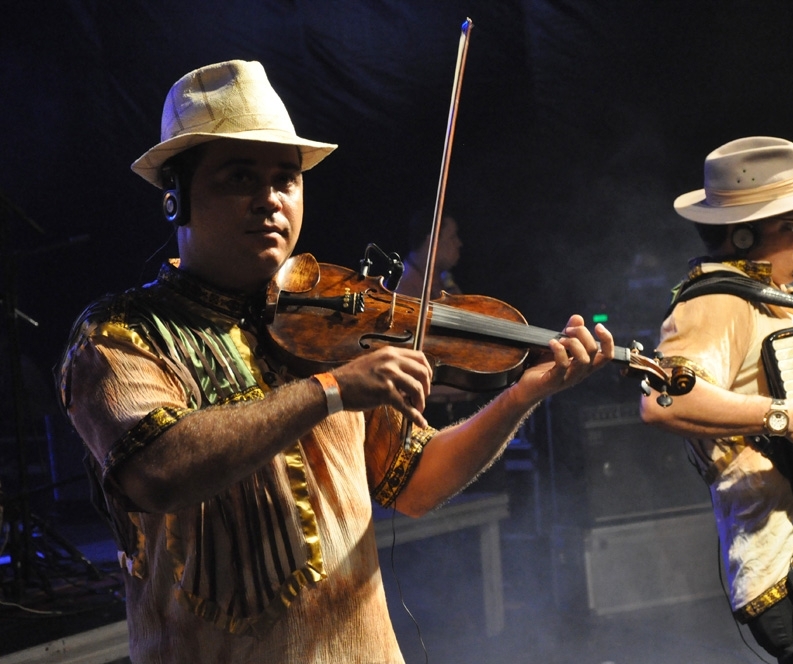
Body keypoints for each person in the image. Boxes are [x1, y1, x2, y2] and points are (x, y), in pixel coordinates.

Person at [56, 60, 614, 663]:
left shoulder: (332, 328)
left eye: (286, 180)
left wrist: (521, 395)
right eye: (240, 177)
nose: (270, 199)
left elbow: (415, 483)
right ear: (177, 199)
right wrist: (330, 390)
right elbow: (159, 470)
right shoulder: (121, 334)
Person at [641, 136, 793, 663]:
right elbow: (664, 402)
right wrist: (783, 416)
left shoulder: (785, 306)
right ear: (744, 233)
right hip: (789, 566)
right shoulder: (717, 302)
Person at [395, 206, 464, 299]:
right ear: (432, 241)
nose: (459, 243)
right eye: (452, 237)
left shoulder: (443, 283)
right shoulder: (402, 290)